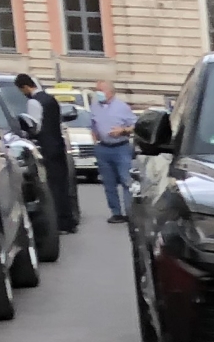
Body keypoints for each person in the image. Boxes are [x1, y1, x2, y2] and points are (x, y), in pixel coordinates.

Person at [14, 73, 79, 234]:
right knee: (62, 185)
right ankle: (68, 221)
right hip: (58, 145)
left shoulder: (34, 102)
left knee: (51, 187)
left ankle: (58, 223)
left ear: (25, 87)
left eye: (21, 90)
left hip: (46, 148)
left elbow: (34, 127)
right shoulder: (51, 99)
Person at [86, 79, 139, 223]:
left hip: (121, 147)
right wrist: (95, 138)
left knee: (126, 180)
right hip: (103, 148)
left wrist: (123, 130)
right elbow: (92, 124)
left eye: (100, 90)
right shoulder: (95, 106)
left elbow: (136, 125)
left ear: (110, 92)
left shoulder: (122, 107)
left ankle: (130, 212)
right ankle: (116, 212)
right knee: (108, 183)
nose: (98, 93)